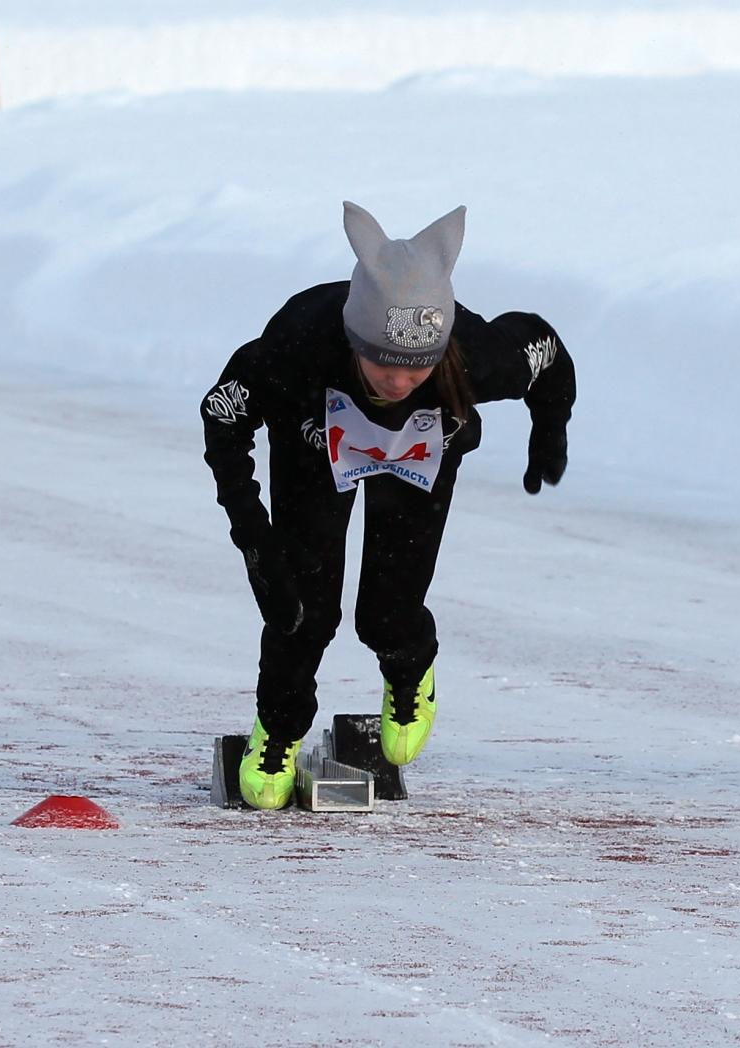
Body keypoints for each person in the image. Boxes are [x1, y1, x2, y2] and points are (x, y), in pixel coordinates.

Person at [201, 202, 576, 810]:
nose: (399, 383)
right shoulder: (297, 345)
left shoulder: (476, 352)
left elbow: (546, 350)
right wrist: (255, 537)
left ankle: (409, 671)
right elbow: (223, 420)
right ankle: (279, 727)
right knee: (301, 606)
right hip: (315, 450)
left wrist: (550, 428)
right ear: (354, 339)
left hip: (423, 455)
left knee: (386, 611)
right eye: (382, 363)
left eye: (418, 368)